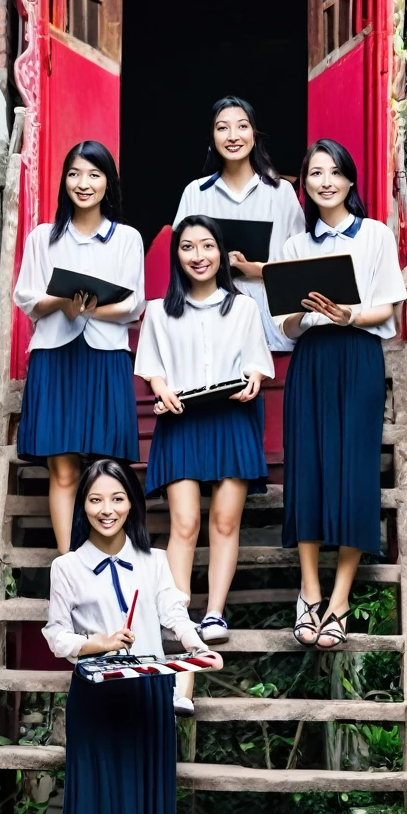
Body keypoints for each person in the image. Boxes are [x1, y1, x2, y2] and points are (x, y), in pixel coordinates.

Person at [43, 458, 220, 814]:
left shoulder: (155, 560)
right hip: (96, 688)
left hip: (147, 685)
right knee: (95, 791)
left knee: (146, 792)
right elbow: (56, 635)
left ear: (132, 504)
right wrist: (96, 643)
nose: (107, 509)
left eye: (118, 499)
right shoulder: (66, 567)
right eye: (96, 499)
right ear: (83, 505)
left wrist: (195, 645)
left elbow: (173, 615)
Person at [135, 215, 273, 712]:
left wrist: (255, 378)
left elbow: (259, 360)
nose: (198, 255)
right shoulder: (158, 311)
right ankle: (178, 615)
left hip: (232, 417)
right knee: (185, 523)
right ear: (177, 257)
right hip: (183, 421)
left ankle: (214, 613)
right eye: (188, 247)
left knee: (225, 519)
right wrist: (160, 389)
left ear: (221, 253)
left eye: (208, 246)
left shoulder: (243, 307)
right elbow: (151, 369)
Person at [277, 140, 407, 650]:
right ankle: (309, 590)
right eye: (315, 173)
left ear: (351, 181)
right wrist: (302, 312)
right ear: (304, 184)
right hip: (310, 360)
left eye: (335, 172)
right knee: (306, 467)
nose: (325, 181)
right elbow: (284, 327)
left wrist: (347, 313)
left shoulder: (373, 235)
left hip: (357, 357)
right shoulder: (293, 247)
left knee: (354, 470)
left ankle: (340, 598)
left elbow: (388, 310)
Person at [13, 142, 145, 553]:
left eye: (93, 174)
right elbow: (27, 298)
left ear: (108, 182)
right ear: (63, 181)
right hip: (55, 355)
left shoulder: (126, 238)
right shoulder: (42, 238)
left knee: (108, 468)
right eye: (74, 174)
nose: (83, 184)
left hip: (106, 357)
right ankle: (70, 565)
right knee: (64, 471)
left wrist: (90, 310)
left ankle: (106, 560)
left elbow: (133, 304)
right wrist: (63, 304)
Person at [174, 96, 305, 351]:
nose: (233, 136)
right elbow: (179, 259)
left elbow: (299, 263)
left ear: (254, 134)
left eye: (242, 126)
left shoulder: (281, 192)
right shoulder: (196, 193)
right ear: (212, 137)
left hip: (272, 319)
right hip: (208, 316)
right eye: (223, 128)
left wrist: (258, 270)